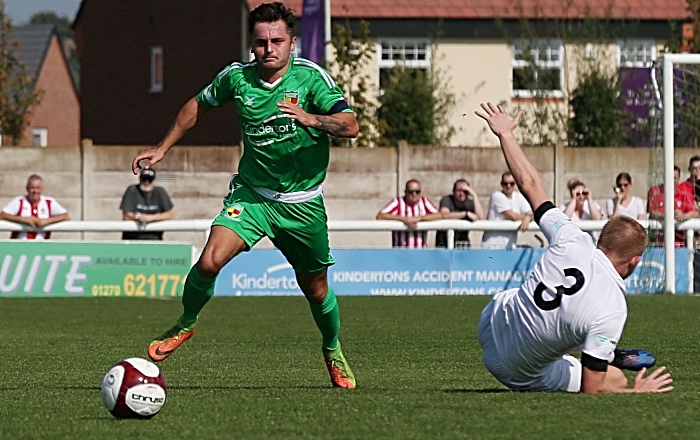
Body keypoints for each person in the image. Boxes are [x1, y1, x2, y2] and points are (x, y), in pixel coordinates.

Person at [129, 2, 359, 389]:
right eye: (261, 41)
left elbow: (350, 125)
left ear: (292, 43)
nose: (268, 48)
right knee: (208, 261)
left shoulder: (312, 80)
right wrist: (163, 147)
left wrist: (311, 119)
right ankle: (185, 325)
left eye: (277, 41)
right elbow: (196, 106)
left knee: (316, 289)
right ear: (252, 44)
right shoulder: (237, 78)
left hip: (301, 204)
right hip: (252, 196)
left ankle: (333, 348)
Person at [475, 102, 673, 394]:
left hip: (491, 321)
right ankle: (597, 350)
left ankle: (591, 347)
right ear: (635, 261)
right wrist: (635, 393)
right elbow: (592, 390)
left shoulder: (571, 236)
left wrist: (505, 134)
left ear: (601, 238)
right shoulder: (614, 306)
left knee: (552, 311)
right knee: (615, 379)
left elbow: (530, 184)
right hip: (514, 370)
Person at [377, 179, 444, 248]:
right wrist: (403, 219)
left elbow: (440, 215)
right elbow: (380, 216)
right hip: (400, 251)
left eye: (417, 192)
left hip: (420, 251)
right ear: (405, 192)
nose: (414, 194)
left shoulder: (424, 201)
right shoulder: (398, 202)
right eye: (411, 191)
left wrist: (419, 218)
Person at [0, 174, 70, 239]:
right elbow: (2, 215)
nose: (35, 191)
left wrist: (46, 221)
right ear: (27, 189)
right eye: (32, 188)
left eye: (37, 188)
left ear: (42, 189)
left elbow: (66, 216)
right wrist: (24, 219)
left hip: (41, 247)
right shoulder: (19, 201)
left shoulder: (49, 202)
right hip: (19, 246)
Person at [119, 168, 175, 240]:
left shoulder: (160, 191)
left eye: (150, 180)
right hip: (132, 239)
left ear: (154, 181)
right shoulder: (132, 190)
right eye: (144, 179)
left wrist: (150, 218)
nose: (147, 182)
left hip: (155, 239)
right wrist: (138, 217)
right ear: (139, 179)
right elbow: (126, 216)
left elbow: (171, 215)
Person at [481, 171, 533, 249]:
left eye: (511, 183)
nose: (508, 186)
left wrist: (528, 217)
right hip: (492, 246)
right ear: (501, 184)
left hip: (510, 246)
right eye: (505, 183)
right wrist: (526, 218)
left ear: (515, 184)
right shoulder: (497, 196)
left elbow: (531, 213)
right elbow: (513, 217)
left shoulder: (518, 196)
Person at [647, 165, 694, 247]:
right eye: (669, 177)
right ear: (664, 177)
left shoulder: (684, 193)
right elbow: (651, 213)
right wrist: (668, 215)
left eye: (675, 178)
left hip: (679, 243)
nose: (672, 180)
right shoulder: (654, 191)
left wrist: (683, 216)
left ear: (679, 178)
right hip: (658, 244)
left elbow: (695, 213)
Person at [435, 179, 484, 248]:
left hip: (462, 242)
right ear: (454, 191)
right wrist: (465, 214)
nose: (461, 194)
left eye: (465, 191)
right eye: (459, 190)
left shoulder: (470, 203)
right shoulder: (447, 199)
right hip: (444, 242)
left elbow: (481, 217)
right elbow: (445, 215)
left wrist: (474, 195)